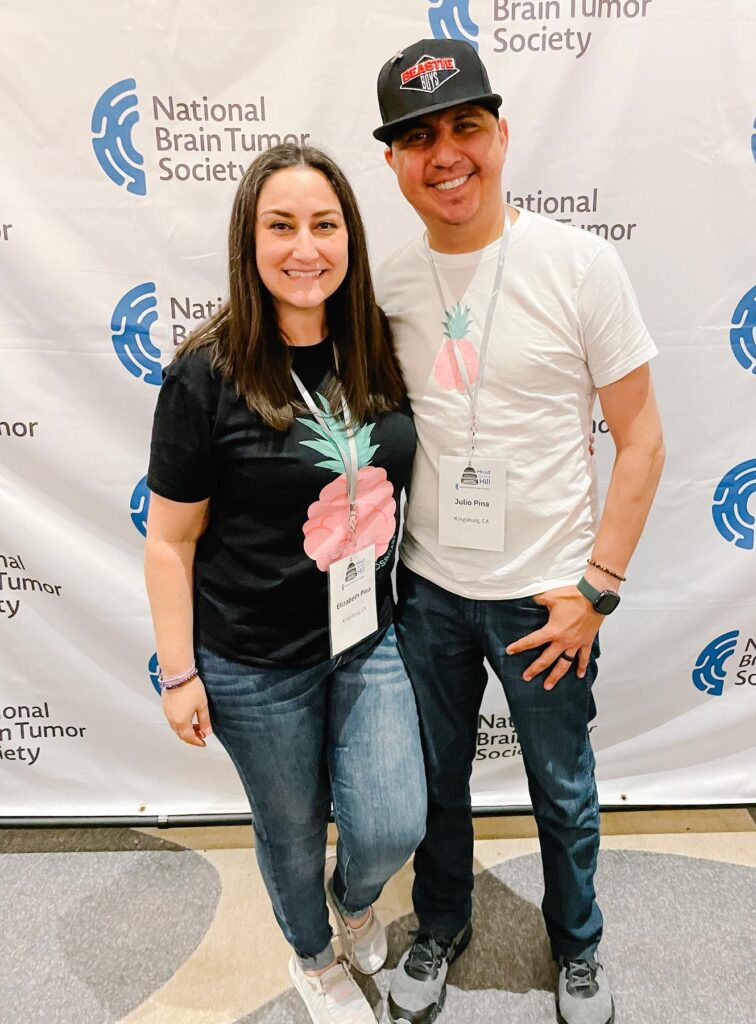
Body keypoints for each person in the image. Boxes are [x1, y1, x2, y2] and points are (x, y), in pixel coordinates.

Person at [372, 39, 665, 1024]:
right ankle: (440, 923)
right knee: (433, 786)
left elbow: (643, 438)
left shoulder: (580, 264)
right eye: (418, 138)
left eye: (464, 127)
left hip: (548, 596)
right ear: (394, 164)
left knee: (562, 785)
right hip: (428, 592)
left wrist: (597, 590)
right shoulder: (389, 284)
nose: (445, 154)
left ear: (501, 133)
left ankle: (576, 944)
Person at [144, 143, 426, 1024]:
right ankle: (311, 955)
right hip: (252, 663)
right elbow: (169, 540)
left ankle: (355, 900)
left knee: (389, 823)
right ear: (249, 241)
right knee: (291, 831)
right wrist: (179, 670)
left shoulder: (377, 347)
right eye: (281, 226)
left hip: (365, 636)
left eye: (325, 224)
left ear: (350, 237)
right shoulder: (206, 374)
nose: (305, 248)